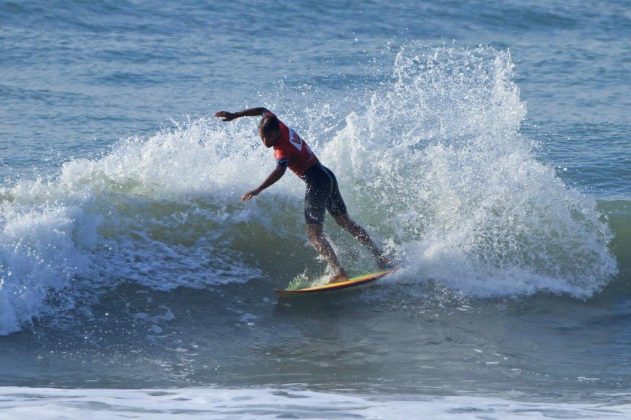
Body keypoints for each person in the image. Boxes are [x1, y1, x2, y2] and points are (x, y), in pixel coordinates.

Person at [215, 107, 389, 283]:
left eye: (269, 137)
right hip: (326, 175)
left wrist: (258, 189)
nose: (265, 141)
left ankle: (339, 272)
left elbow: (280, 170)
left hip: (317, 183)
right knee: (345, 222)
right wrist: (235, 115)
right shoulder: (278, 124)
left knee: (314, 236)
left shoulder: (282, 148)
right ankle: (380, 256)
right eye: (262, 136)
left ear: (276, 132)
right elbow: (262, 110)